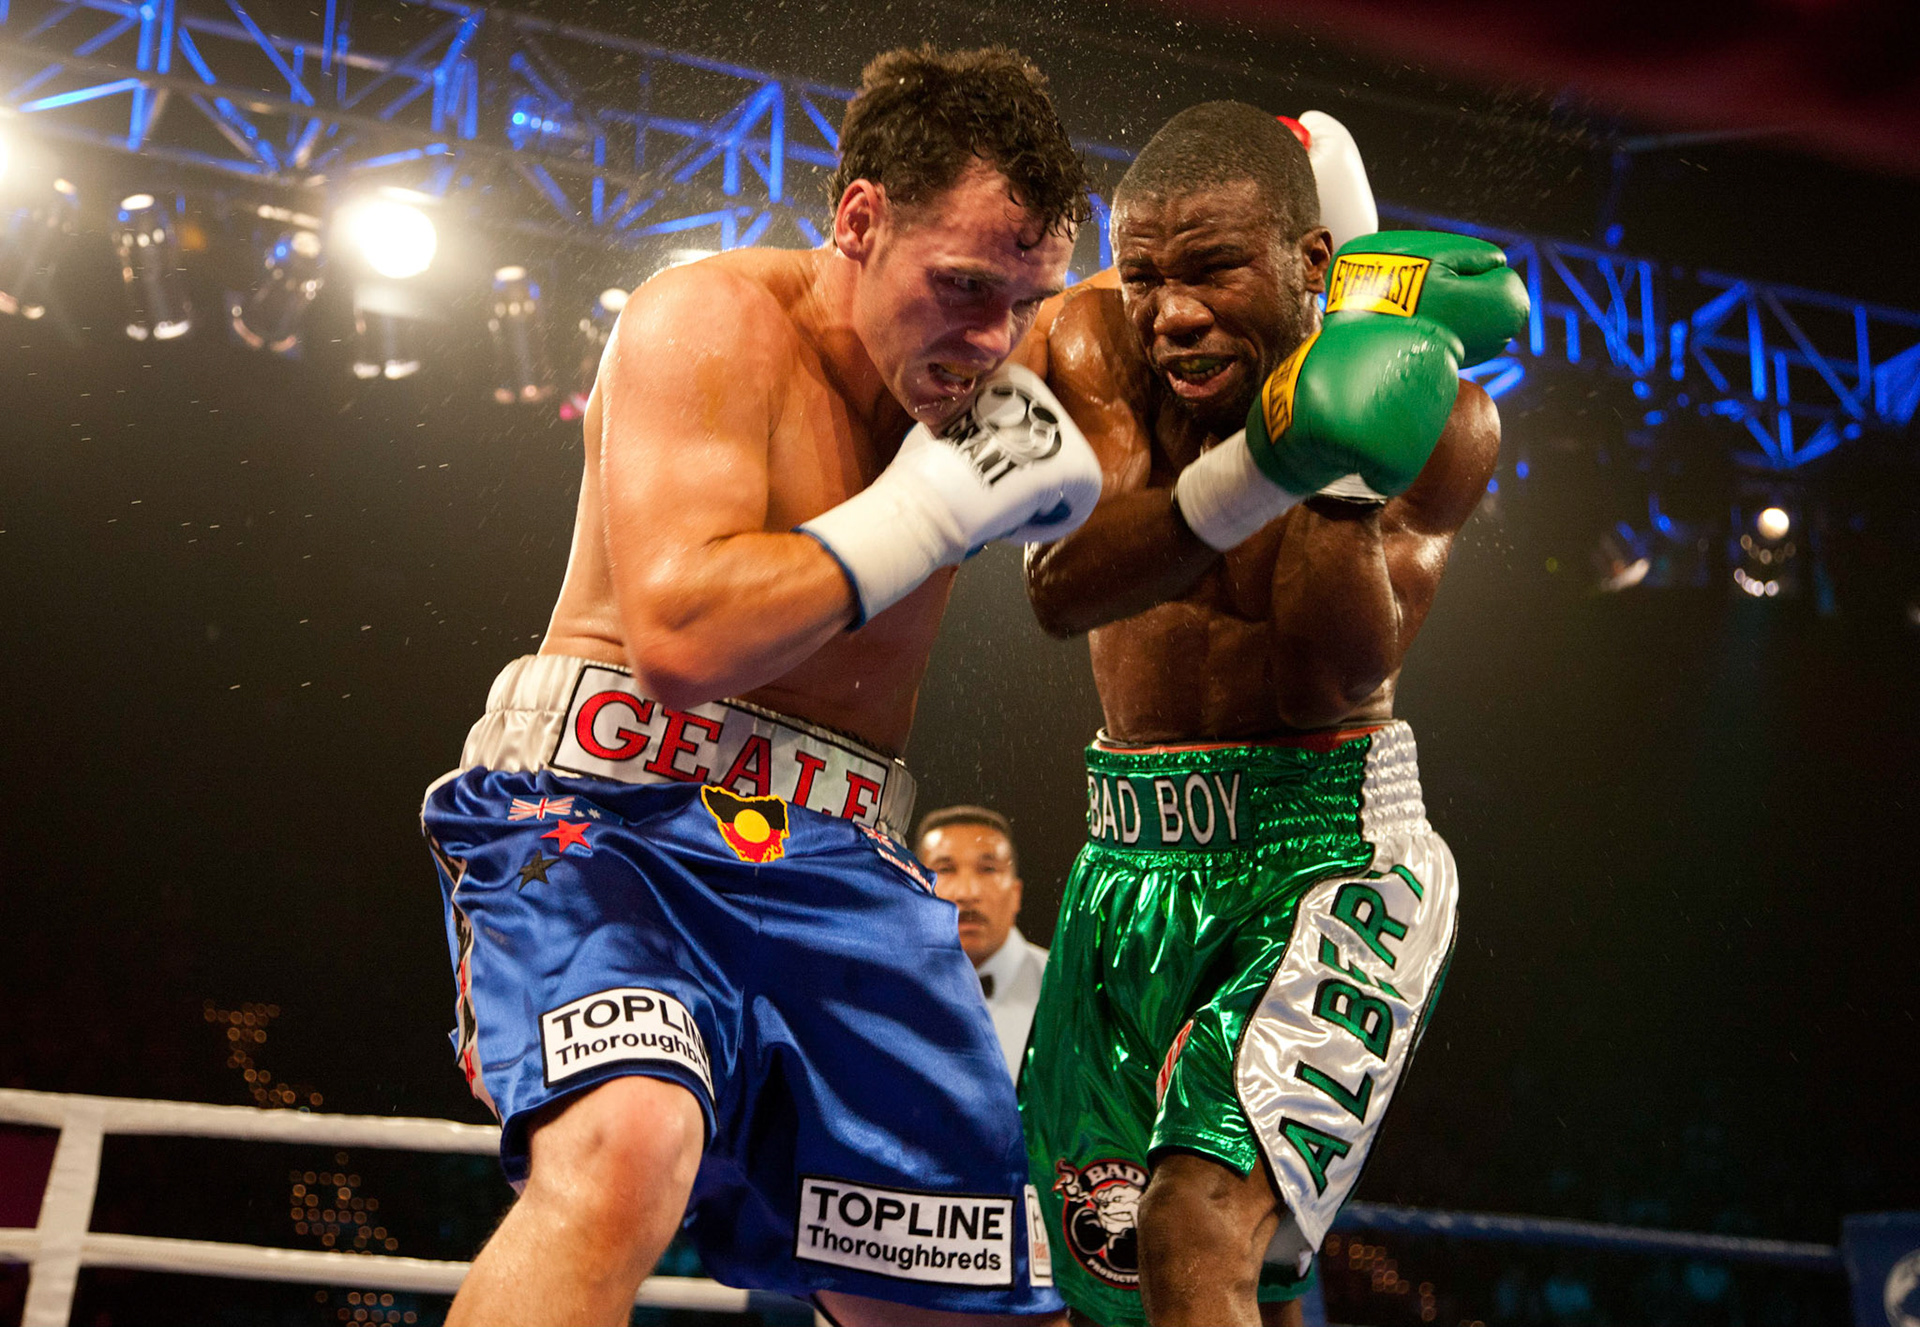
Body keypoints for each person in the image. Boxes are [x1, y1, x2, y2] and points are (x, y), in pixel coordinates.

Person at [419, 46, 1103, 1327]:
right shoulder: (711, 317)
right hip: (612, 816)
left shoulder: (994, 357)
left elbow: (1188, 322)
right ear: (858, 218)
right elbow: (683, 632)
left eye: (1025, 298)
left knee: (966, 1302)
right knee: (626, 1146)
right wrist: (936, 505)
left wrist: (1338, 283)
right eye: (960, 285)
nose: (991, 340)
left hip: (839, 863)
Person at [1015, 101, 1528, 1327]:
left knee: (1196, 1225)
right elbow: (1064, 584)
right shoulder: (1096, 340)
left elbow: (1330, 680)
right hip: (1127, 856)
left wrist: (1339, 466)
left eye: (1209, 271)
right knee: (1116, 1284)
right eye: (1146, 273)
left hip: (1326, 851)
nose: (1171, 312)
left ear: (1310, 266)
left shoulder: (1446, 423)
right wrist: (1267, 460)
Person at [916, 805, 1050, 1077]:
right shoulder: (886, 989)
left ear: (1016, 894)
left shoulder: (1064, 989)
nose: (968, 892)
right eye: (946, 869)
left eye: (988, 869)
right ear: (915, 888)